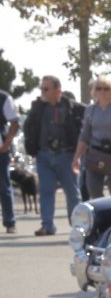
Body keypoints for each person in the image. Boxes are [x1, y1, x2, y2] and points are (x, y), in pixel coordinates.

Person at [22, 76, 85, 236]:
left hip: (66, 154)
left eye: (46, 89)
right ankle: (47, 226)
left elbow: (85, 127)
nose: (42, 92)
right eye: (42, 88)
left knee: (72, 192)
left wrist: (79, 152)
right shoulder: (38, 107)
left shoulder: (72, 107)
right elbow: (28, 126)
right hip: (44, 155)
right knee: (46, 191)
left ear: (58, 90)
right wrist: (32, 147)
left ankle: (77, 226)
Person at [0, 87, 18, 233]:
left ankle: (10, 222)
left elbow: (14, 123)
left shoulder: (4, 98)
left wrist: (6, 144)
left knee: (3, 186)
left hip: (1, 149)